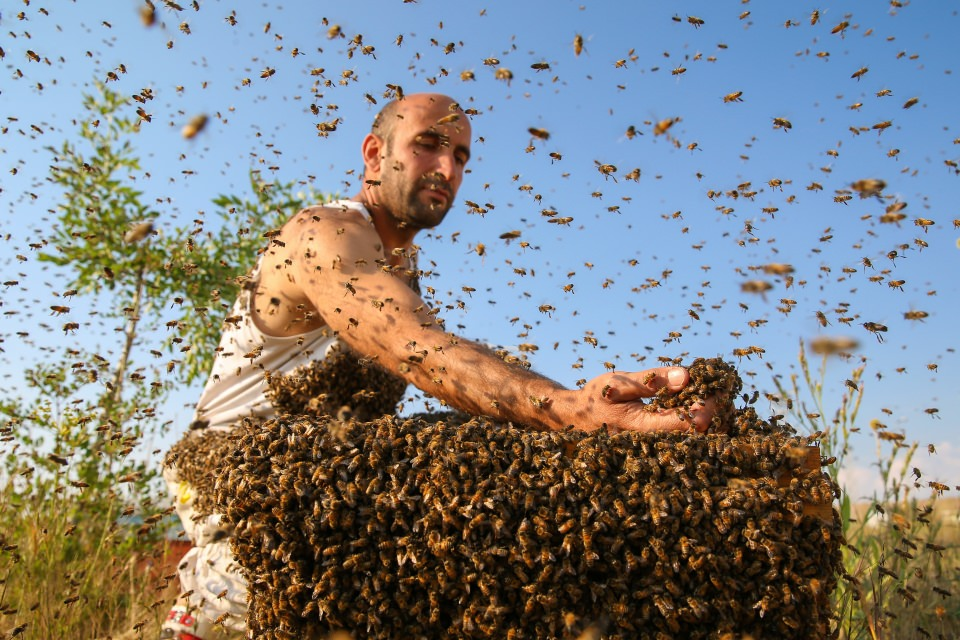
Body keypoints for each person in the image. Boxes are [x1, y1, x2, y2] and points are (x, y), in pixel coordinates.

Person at [160, 92, 716, 639]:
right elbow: (413, 343)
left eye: (461, 156)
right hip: (230, 472)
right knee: (279, 574)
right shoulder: (321, 233)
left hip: (325, 484)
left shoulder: (402, 267)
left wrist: (604, 416)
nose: (447, 167)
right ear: (375, 153)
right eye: (428, 145)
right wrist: (568, 408)